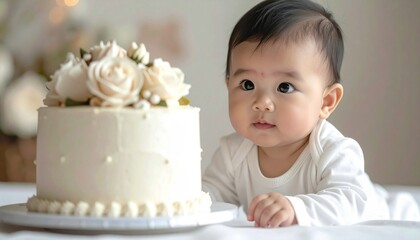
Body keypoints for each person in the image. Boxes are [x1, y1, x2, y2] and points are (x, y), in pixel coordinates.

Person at [202, 0, 419, 227]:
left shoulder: (332, 150)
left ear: (326, 101)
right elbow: (206, 199)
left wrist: (296, 208)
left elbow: (352, 202)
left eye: (284, 87)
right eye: (247, 84)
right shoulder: (232, 154)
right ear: (229, 86)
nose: (262, 103)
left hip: (397, 212)